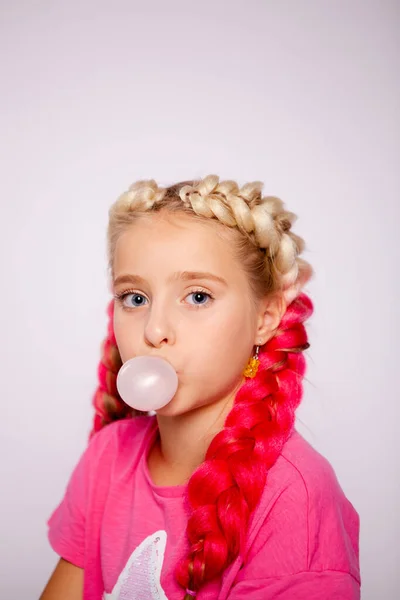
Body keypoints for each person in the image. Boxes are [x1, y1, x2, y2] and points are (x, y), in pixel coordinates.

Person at [40, 175, 361, 599]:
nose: (155, 330)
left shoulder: (294, 498)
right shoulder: (106, 458)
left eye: (197, 297)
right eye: (135, 298)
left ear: (266, 317)